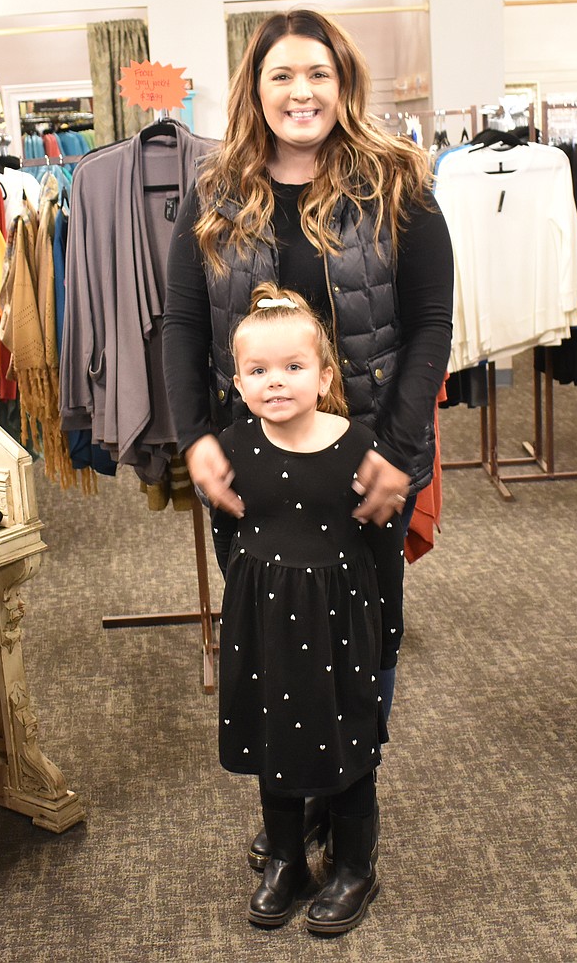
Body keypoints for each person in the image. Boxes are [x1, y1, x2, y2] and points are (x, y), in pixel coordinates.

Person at [163, 10, 454, 930]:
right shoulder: (214, 191)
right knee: (271, 641)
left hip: (364, 462)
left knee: (361, 649)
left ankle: (347, 830)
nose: (301, 93)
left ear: (344, 81)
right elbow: (178, 325)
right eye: (282, 75)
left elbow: (429, 326)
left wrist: (400, 455)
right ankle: (295, 822)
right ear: (256, 87)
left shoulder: (398, 181)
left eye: (318, 74)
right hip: (249, 465)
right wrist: (194, 439)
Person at [214, 284, 384, 932]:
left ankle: (355, 867)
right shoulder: (231, 447)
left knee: (347, 738)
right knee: (274, 734)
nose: (275, 383)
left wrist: (382, 637)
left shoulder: (359, 446)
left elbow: (381, 549)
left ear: (325, 376)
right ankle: (286, 858)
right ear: (237, 381)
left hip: (340, 623)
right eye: (258, 372)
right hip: (264, 625)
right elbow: (230, 536)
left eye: (293, 368)